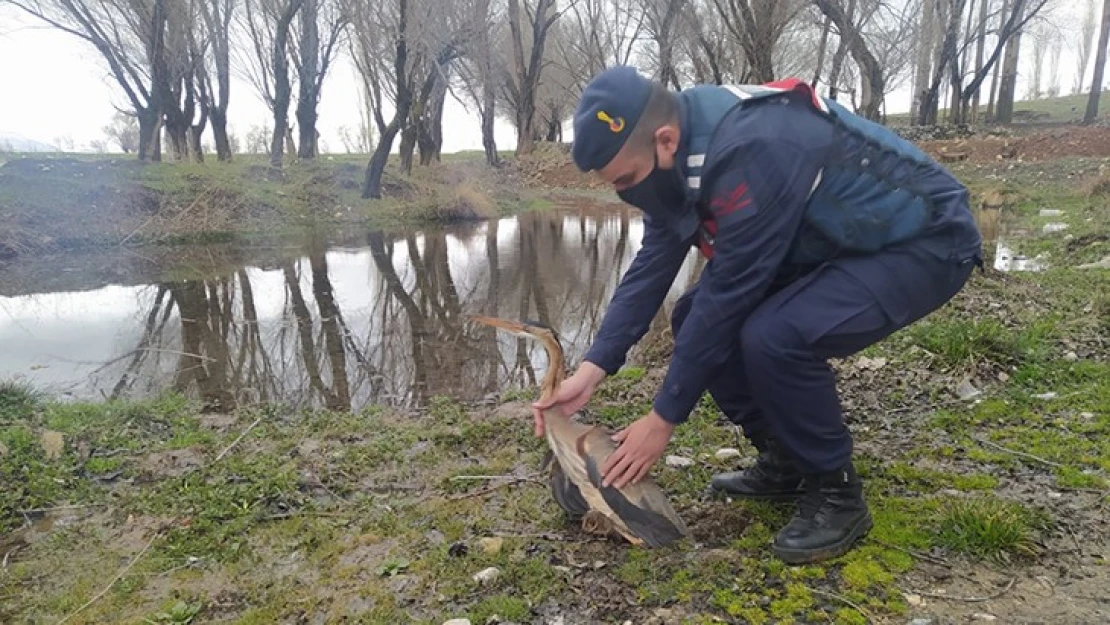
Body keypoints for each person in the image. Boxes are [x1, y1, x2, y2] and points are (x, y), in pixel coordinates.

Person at [530, 66, 982, 564]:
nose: (628, 195)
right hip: (842, 243)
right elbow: (654, 264)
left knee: (774, 335)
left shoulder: (755, 147)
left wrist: (663, 418)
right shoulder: (673, 158)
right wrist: (594, 367)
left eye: (628, 180)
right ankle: (786, 459)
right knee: (692, 317)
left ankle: (837, 493)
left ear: (664, 139)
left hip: (924, 241)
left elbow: (732, 294)